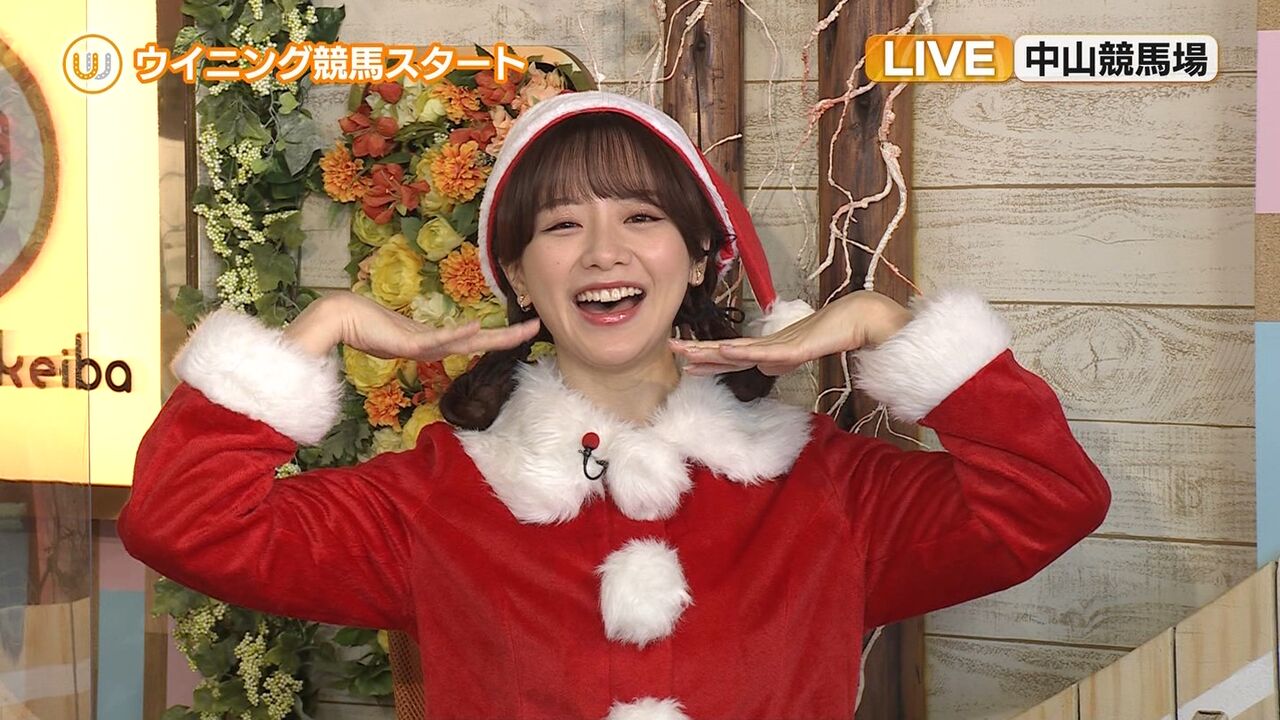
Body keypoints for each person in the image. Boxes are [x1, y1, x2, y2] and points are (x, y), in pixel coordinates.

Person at [118, 90, 1111, 720]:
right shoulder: (435, 502)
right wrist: (321, 323)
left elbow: (1048, 502)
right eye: (561, 226)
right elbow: (181, 525)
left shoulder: (829, 490)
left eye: (641, 216)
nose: (604, 251)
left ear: (701, 255)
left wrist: (887, 325)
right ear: (517, 272)